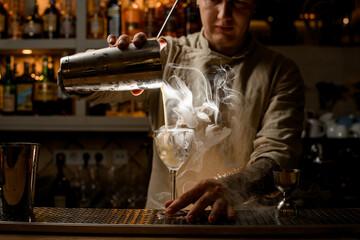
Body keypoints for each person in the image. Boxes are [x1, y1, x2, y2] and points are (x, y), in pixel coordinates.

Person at [65, 0, 304, 223]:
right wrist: (111, 61)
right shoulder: (165, 54)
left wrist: (232, 187)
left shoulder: (280, 72)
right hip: (164, 221)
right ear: (197, 1)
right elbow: (75, 86)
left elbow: (278, 156)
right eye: (214, 0)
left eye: (238, 2)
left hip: (240, 222)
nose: (224, 14)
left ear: (253, 5)